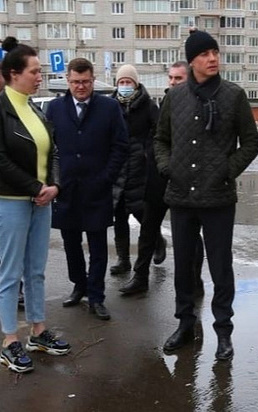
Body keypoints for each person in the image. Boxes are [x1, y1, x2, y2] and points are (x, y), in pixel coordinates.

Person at [155, 30, 258, 360]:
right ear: (192, 61)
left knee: (220, 267)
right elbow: (160, 140)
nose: (212, 58)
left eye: (214, 52)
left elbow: (252, 143)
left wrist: (226, 171)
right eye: (204, 54)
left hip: (218, 199)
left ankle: (224, 332)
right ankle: (185, 325)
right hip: (181, 198)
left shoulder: (233, 95)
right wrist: (167, 167)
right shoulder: (175, 98)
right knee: (184, 265)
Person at [0, 36, 71, 374]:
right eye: (34, 71)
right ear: (14, 74)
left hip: (41, 201)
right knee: (10, 273)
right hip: (12, 201)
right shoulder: (2, 110)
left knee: (36, 270)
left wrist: (53, 185)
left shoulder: (35, 109)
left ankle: (38, 332)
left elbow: (52, 151)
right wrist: (34, 187)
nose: (40, 77)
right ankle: (9, 340)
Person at [46, 58, 128, 321]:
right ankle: (78, 285)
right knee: (71, 243)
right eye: (75, 82)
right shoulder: (54, 108)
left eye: (85, 82)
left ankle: (96, 296)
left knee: (98, 246)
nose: (80, 87)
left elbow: (120, 146)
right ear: (67, 82)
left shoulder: (109, 107)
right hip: (66, 189)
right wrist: (54, 181)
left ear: (93, 81)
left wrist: (107, 177)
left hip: (97, 188)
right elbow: (49, 148)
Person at [119, 60, 206, 296]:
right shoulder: (166, 102)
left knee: (189, 232)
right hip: (160, 175)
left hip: (187, 179)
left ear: (189, 79)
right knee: (148, 228)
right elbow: (158, 138)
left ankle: (194, 279)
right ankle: (140, 277)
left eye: (178, 78)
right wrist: (158, 163)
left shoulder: (201, 104)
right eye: (170, 78)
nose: (172, 82)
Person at [109, 64, 166, 276]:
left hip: (140, 168)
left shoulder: (148, 106)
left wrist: (146, 153)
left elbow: (159, 133)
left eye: (128, 82)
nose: (124, 85)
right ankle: (123, 259)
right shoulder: (110, 105)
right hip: (117, 169)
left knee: (142, 213)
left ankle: (157, 240)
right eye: (121, 82)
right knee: (119, 216)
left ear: (136, 83)